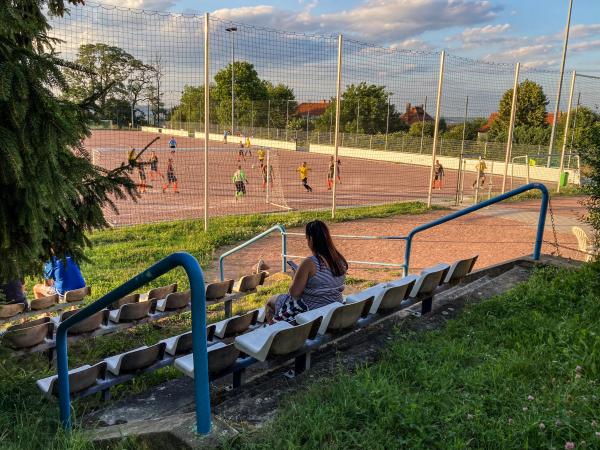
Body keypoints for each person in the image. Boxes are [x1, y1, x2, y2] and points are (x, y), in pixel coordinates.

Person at [265, 220, 347, 323]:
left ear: (311, 239)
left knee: (270, 302)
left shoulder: (309, 263)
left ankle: (272, 332)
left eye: (307, 238)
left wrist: (295, 276)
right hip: (334, 305)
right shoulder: (339, 259)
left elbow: (294, 293)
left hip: (311, 309)